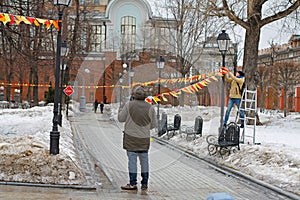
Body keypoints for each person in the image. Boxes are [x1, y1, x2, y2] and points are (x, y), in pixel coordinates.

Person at [118, 86, 157, 191]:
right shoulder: (150, 107)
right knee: (144, 160)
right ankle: (144, 183)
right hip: (144, 138)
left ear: (134, 95)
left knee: (132, 160)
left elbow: (121, 119)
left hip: (131, 138)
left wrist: (121, 109)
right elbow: (153, 124)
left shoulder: (129, 105)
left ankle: (132, 183)